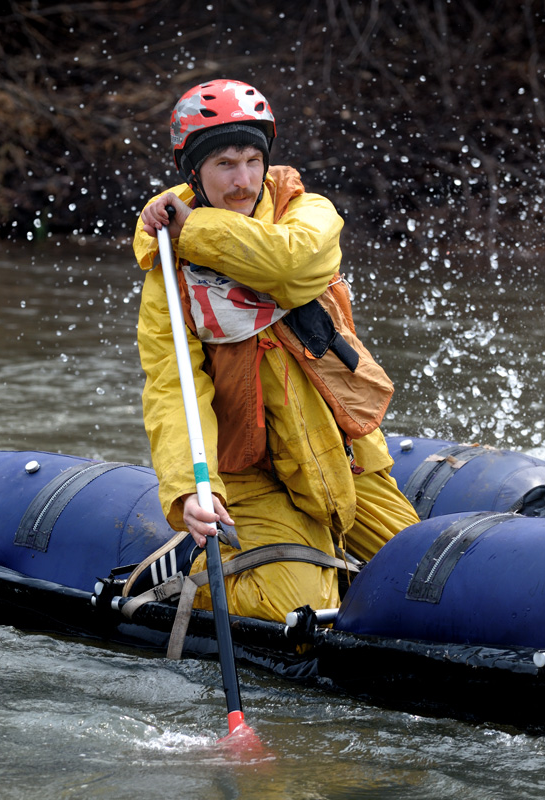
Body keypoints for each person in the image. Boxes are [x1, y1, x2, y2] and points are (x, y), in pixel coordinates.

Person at [133, 79, 419, 622]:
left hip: (345, 456)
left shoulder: (308, 213)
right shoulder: (168, 276)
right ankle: (190, 571)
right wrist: (189, 491)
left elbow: (288, 266)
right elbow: (173, 388)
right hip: (252, 472)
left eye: (251, 160)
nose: (243, 181)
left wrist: (192, 227)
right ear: (193, 171)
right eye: (224, 164)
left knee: (430, 586)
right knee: (301, 608)